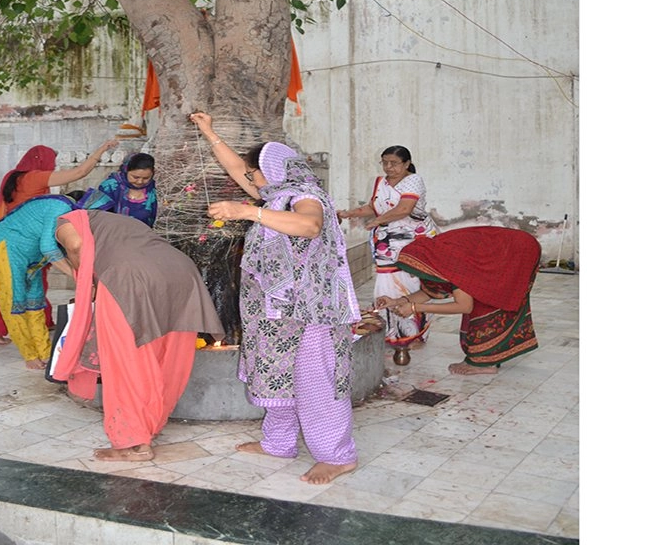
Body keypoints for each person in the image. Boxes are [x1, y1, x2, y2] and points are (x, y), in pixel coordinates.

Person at [188, 111, 360, 485]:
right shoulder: (275, 195)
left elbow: (309, 226)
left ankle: (337, 456)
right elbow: (237, 168)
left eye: (254, 174)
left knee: (316, 380)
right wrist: (209, 132)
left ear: (273, 171)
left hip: (312, 311)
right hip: (274, 312)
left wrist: (246, 211)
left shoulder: (304, 196)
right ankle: (279, 442)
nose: (249, 181)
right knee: (278, 375)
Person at [51, 209, 224, 462]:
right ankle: (148, 426)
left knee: (125, 362)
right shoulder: (115, 222)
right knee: (168, 357)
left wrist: (87, 281)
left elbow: (75, 245)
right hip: (181, 273)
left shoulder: (63, 219)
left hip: (129, 278)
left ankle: (132, 444)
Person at [0, 139, 118, 345]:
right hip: (25, 243)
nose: (53, 167)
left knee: (35, 282)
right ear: (41, 160)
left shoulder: (14, 178)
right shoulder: (33, 178)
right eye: (51, 162)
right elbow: (78, 173)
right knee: (22, 286)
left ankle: (45, 320)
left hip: (19, 237)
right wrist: (102, 149)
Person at [379, 225, 541, 375]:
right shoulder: (433, 257)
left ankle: (484, 364)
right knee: (482, 298)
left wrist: (415, 308)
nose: (413, 275)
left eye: (413, 271)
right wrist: (396, 301)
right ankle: (488, 359)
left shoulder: (452, 264)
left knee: (487, 302)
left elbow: (464, 306)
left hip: (517, 252)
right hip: (505, 251)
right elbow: (430, 292)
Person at [337, 145, 435, 351]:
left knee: (410, 283)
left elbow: (404, 209)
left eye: (394, 163)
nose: (389, 167)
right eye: (385, 162)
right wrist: (350, 213)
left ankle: (413, 334)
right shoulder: (380, 182)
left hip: (412, 241)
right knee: (386, 282)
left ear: (407, 164)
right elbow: (374, 207)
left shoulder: (413, 180)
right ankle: (390, 331)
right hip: (386, 243)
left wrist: (376, 221)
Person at [0, 195, 81, 370]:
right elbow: (48, 247)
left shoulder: (70, 215)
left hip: (32, 257)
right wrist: (75, 275)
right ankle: (29, 355)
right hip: (7, 249)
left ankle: (46, 354)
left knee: (36, 304)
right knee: (14, 302)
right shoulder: (61, 209)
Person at [90, 152, 158, 226]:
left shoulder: (153, 188)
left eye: (146, 178)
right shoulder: (110, 186)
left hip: (143, 235)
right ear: (125, 170)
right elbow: (97, 215)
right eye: (135, 177)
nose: (140, 181)